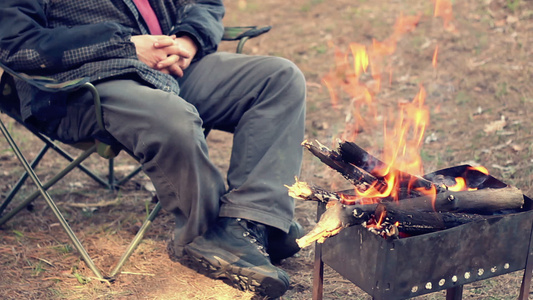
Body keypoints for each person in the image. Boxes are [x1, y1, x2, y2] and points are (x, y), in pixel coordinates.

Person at [0, 0, 306, 298]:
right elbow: (17, 43)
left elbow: (203, 3)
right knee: (172, 120)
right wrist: (126, 46)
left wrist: (189, 40)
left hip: (167, 67)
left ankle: (252, 220)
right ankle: (204, 236)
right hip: (85, 82)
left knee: (278, 78)